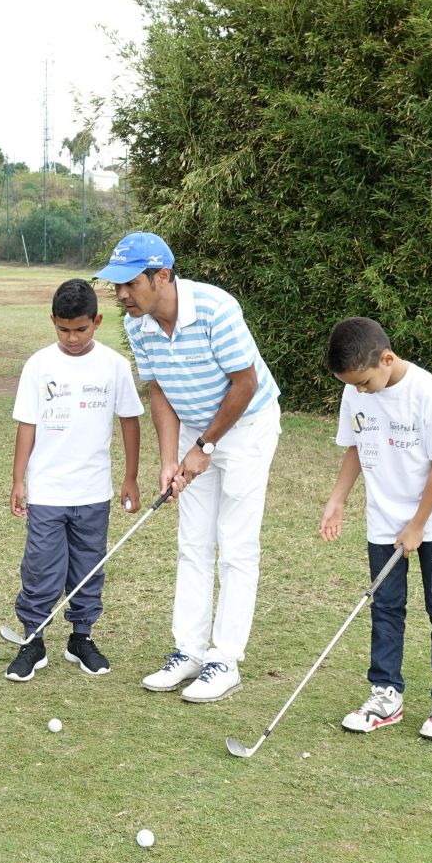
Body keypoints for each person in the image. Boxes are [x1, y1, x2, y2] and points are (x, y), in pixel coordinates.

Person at [96, 232, 281, 703]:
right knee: (193, 542)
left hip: (247, 425)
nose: (120, 295)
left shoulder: (218, 309)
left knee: (236, 544)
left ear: (162, 277)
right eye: (116, 286)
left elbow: (245, 383)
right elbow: (158, 390)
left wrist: (204, 445)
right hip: (194, 426)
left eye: (129, 284)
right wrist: (170, 458)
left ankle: (225, 659)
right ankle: (189, 652)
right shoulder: (139, 324)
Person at [318, 316, 432, 741]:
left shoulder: (427, 393)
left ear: (387, 358)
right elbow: (355, 446)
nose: (360, 391)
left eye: (365, 382)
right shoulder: (355, 390)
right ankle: (386, 694)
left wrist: (418, 525)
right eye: (353, 385)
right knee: (385, 608)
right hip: (382, 519)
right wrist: (338, 499)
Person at [5, 278, 143, 681]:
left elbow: (129, 422)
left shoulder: (114, 366)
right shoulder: (39, 365)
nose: (72, 338)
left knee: (88, 566)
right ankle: (34, 640)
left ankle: (80, 638)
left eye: (80, 329)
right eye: (63, 329)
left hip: (94, 491)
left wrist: (130, 477)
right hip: (47, 490)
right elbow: (26, 425)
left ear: (96, 321)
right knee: (42, 568)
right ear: (53, 321)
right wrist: (18, 480)